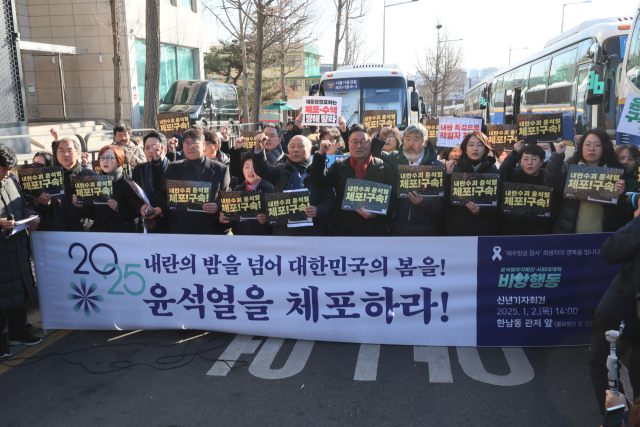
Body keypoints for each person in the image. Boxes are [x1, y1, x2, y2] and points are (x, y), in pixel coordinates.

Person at [589, 212, 640, 416]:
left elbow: (611, 251)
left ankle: (615, 420)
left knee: (602, 366)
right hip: (621, 309)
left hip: (621, 309)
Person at [312, 123, 394, 237]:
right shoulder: (340, 166)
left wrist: (376, 215)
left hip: (374, 232)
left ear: (370, 143)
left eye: (363, 142)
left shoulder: (382, 167)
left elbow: (393, 200)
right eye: (354, 142)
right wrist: (320, 154)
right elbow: (319, 180)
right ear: (348, 144)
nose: (358, 146)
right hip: (344, 232)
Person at [247, 134, 335, 236]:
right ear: (288, 151)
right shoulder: (280, 171)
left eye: (300, 146)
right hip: (283, 235)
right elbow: (262, 169)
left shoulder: (319, 174)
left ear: (310, 150)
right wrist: (258, 147)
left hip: (313, 234)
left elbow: (330, 202)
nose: (296, 150)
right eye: (292, 147)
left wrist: (317, 211)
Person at [0, 144, 42, 357]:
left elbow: (22, 205)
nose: (6, 174)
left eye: (8, 169)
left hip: (16, 248)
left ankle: (18, 333)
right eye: (2, 169)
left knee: (18, 292)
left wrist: (32, 216)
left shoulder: (10, 180)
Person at [545, 129, 626, 234]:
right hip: (570, 234)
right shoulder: (569, 168)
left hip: (604, 237)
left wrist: (621, 195)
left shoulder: (614, 173)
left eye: (597, 145)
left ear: (604, 148)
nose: (591, 149)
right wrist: (557, 155)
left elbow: (622, 212)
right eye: (587, 144)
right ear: (581, 147)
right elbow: (551, 185)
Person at [375, 124, 443, 236]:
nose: (411, 143)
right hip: (395, 228)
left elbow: (440, 203)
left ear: (425, 143)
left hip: (423, 230)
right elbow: (374, 157)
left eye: (416, 139)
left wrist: (422, 202)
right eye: (407, 139)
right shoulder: (394, 158)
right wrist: (381, 138)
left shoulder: (436, 167)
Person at [164, 127, 231, 234]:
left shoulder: (220, 169)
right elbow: (164, 196)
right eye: (187, 143)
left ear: (203, 145)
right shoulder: (173, 168)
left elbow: (226, 198)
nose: (190, 147)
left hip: (210, 230)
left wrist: (217, 206)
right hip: (181, 230)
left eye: (194, 143)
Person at [71, 145, 145, 233]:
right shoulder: (95, 181)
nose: (104, 161)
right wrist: (81, 206)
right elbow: (92, 213)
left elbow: (137, 211)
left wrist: (118, 208)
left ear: (119, 161)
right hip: (100, 233)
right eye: (101, 158)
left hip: (122, 234)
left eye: (109, 158)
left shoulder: (126, 182)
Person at [441, 131, 500, 236]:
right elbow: (443, 201)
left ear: (486, 149)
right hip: (457, 229)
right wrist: (448, 175)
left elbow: (498, 204)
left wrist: (480, 211)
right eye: (471, 145)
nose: (475, 149)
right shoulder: (454, 170)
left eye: (479, 145)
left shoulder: (493, 172)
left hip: (484, 231)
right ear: (464, 149)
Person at [34, 138, 98, 231]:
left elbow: (98, 209)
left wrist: (82, 206)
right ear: (56, 155)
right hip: (57, 232)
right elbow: (38, 208)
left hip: (83, 232)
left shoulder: (89, 175)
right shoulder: (48, 177)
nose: (65, 154)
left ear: (78, 154)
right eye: (61, 151)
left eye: (69, 150)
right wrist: (43, 204)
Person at [499, 142, 559, 235]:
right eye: (526, 159)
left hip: (540, 233)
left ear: (542, 161)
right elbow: (502, 172)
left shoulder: (548, 180)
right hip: (513, 232)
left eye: (534, 159)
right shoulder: (513, 177)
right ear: (520, 162)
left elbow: (555, 208)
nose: (529, 163)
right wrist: (514, 152)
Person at [219, 153, 273, 236]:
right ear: (243, 170)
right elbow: (232, 222)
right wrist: (226, 220)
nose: (250, 171)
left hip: (264, 240)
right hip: (241, 240)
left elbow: (279, 218)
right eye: (247, 167)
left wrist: (267, 219)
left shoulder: (270, 189)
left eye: (254, 167)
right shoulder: (237, 190)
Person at [132, 131, 171, 233]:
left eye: (155, 147)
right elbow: (134, 196)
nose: (151, 151)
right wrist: (142, 209)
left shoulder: (175, 169)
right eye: (147, 148)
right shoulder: (139, 169)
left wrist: (161, 210)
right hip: (144, 226)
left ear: (164, 150)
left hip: (167, 225)